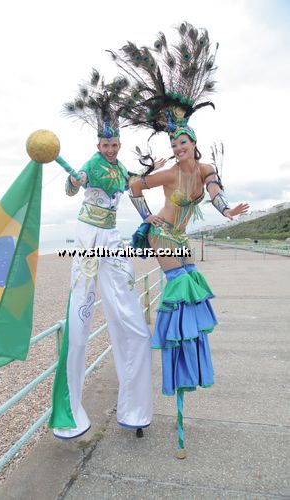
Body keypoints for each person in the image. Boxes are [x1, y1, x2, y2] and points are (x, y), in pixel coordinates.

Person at [109, 22, 249, 457]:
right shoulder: (169, 173)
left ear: (194, 143)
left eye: (183, 140)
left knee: (190, 294)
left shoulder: (204, 171)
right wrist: (144, 213)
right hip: (159, 234)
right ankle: (176, 365)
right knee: (183, 289)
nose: (178, 146)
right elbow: (134, 184)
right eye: (173, 141)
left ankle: (182, 367)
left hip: (180, 239)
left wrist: (226, 211)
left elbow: (216, 193)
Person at [48, 70, 156, 439]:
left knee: (133, 325)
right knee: (78, 323)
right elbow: (71, 185)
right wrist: (74, 181)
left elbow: (137, 196)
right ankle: (70, 411)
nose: (110, 150)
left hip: (111, 238)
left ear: (119, 145)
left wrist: (149, 219)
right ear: (98, 144)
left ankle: (136, 408)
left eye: (114, 145)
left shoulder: (121, 168)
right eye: (106, 145)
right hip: (88, 236)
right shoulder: (92, 165)